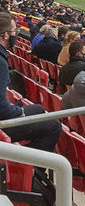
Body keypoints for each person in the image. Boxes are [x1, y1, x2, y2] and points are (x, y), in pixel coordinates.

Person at [0, 11, 62, 152]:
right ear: (5, 35)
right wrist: (19, 111)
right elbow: (1, 108)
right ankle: (32, 168)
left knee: (38, 109)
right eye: (15, 30)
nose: (16, 33)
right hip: (3, 122)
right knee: (54, 126)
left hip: (4, 115)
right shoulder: (0, 62)